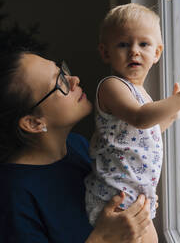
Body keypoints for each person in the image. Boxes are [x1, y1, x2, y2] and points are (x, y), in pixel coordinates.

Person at [0, 48, 153, 243]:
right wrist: (102, 239)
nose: (74, 80)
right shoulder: (13, 196)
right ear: (34, 123)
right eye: (59, 82)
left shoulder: (77, 145)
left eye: (61, 70)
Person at [84, 3, 180, 242]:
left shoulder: (140, 93)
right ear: (105, 53)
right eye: (123, 44)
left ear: (157, 53)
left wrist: (171, 115)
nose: (134, 51)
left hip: (133, 194)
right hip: (117, 197)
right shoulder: (112, 86)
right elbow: (140, 118)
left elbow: (142, 133)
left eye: (143, 44)